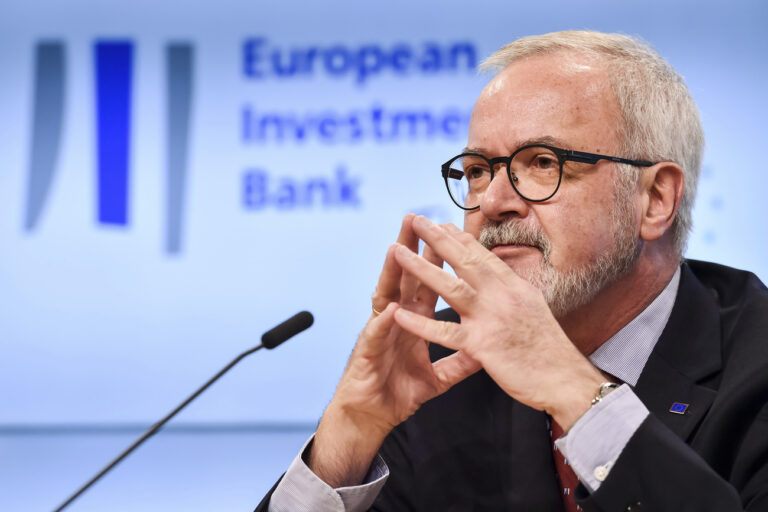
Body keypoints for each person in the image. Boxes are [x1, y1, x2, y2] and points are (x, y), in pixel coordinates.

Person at [256, 30, 768, 511]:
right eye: (478, 171)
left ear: (655, 199)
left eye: (543, 162)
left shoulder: (756, 361)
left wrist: (574, 390)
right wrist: (349, 433)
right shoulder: (439, 368)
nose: (494, 201)